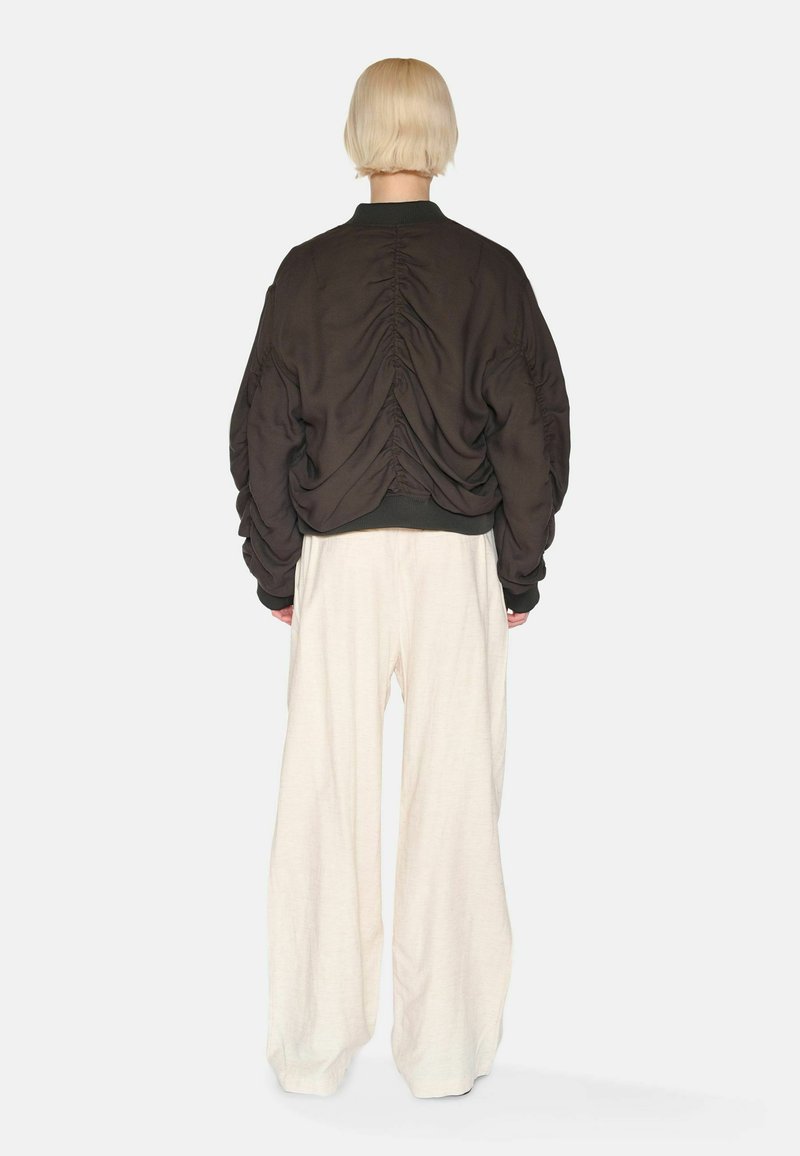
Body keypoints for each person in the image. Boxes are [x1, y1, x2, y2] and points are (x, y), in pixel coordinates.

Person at [229, 57, 571, 1099]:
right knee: (455, 802)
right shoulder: (491, 274)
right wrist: (517, 571)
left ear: (358, 132)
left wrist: (277, 570)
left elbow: (261, 430)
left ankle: (311, 1048)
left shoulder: (306, 272)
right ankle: (446, 1052)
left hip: (339, 559)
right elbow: (534, 434)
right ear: (440, 133)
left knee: (321, 799)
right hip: (456, 559)